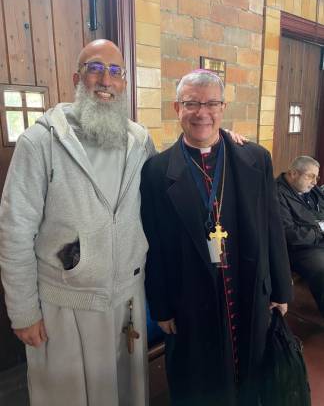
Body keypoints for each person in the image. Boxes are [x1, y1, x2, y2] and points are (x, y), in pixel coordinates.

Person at [0, 39, 156, 406]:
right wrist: (23, 311)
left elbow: (167, 188)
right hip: (64, 305)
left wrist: (218, 142)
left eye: (115, 72)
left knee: (125, 395)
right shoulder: (40, 142)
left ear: (124, 84)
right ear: (77, 77)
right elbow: (15, 230)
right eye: (95, 68)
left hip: (126, 302)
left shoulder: (139, 141)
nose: (106, 79)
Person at [140, 69, 292, 406]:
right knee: (199, 383)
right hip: (189, 296)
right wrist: (161, 306)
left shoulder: (255, 158)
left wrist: (281, 288)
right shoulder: (156, 171)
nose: (201, 113)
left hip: (248, 285)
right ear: (177, 108)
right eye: (191, 103)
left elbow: (272, 224)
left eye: (211, 103)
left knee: (253, 378)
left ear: (223, 108)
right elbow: (155, 245)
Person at [276, 156, 324, 317]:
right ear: (294, 173)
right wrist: (319, 232)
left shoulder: (311, 189)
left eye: (317, 177)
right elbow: (289, 234)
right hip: (300, 249)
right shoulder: (276, 193)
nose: (315, 182)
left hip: (317, 237)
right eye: (310, 176)